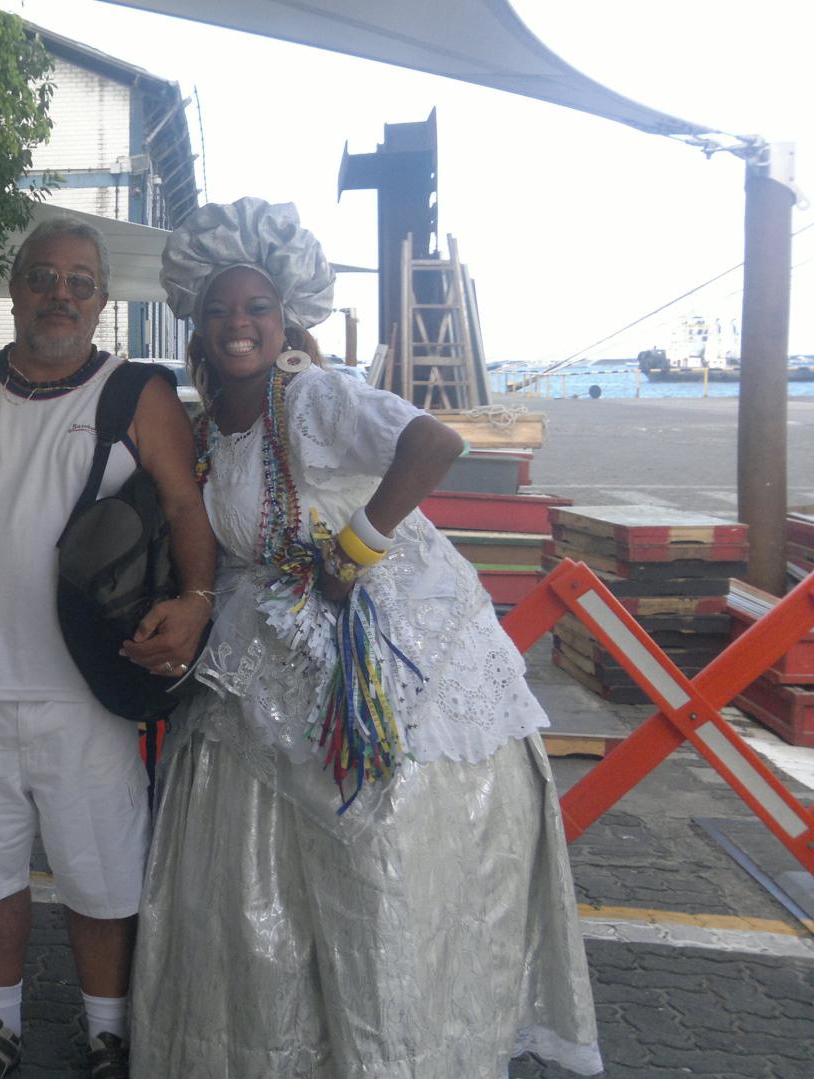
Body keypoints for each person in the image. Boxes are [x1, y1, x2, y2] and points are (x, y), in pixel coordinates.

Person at [129, 197, 601, 1076]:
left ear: (286, 320)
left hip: (388, 655)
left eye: (257, 309)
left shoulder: (314, 396)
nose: (239, 325)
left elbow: (430, 442)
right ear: (195, 320)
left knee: (375, 871)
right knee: (259, 882)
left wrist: (355, 548)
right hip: (264, 660)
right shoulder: (206, 427)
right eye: (221, 309)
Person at [0, 216, 217, 1079]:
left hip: (89, 688)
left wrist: (197, 601)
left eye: (80, 281)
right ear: (14, 286)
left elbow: (188, 510)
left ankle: (108, 1034)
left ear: (103, 299)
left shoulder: (134, 391)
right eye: (43, 277)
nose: (60, 295)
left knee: (101, 872)